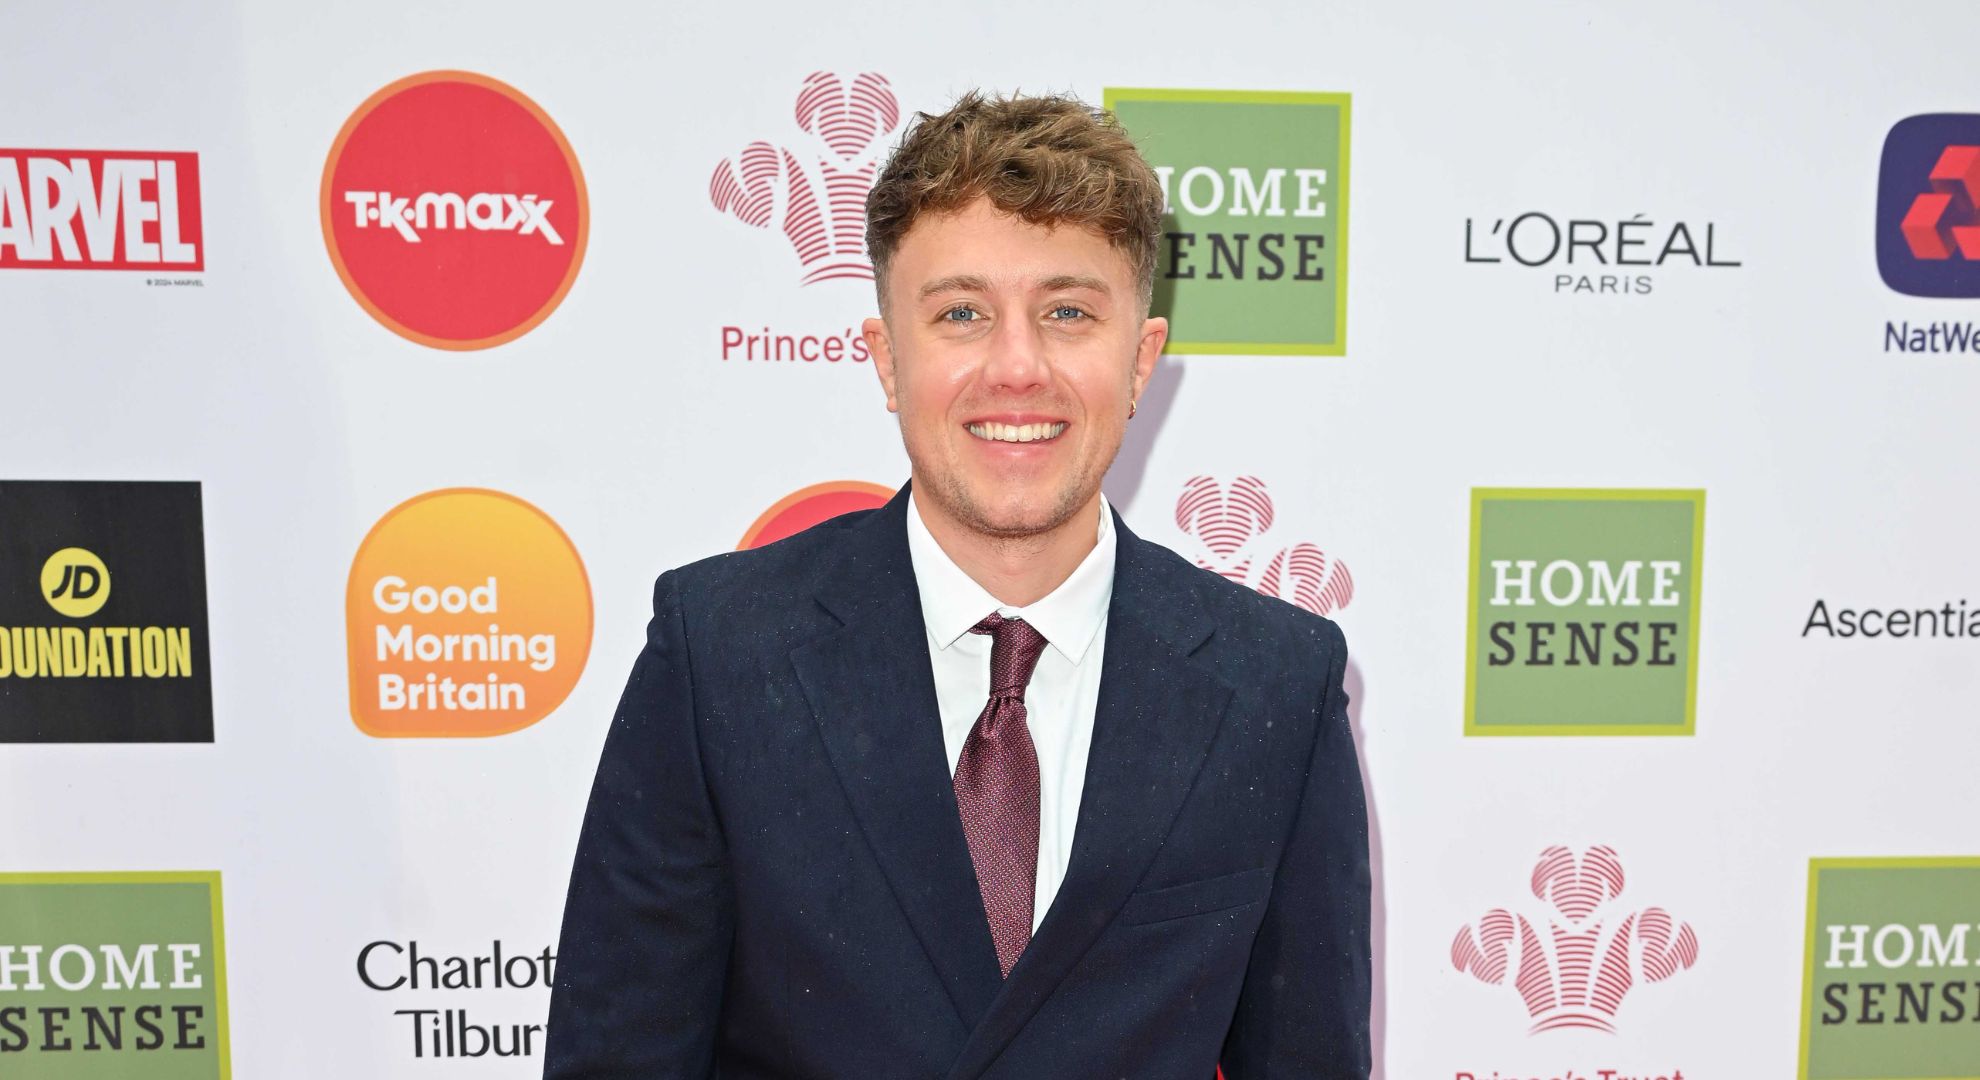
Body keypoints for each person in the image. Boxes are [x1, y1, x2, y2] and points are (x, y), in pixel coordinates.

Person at [544, 91, 1370, 1079]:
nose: (1016, 367)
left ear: (1141, 359)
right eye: (962, 314)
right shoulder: (718, 653)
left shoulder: (1275, 683)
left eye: (1068, 312)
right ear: (888, 359)